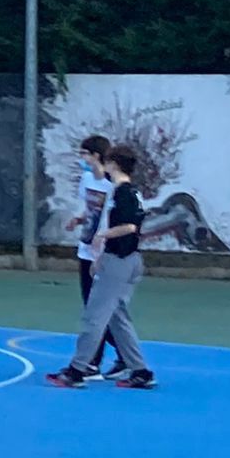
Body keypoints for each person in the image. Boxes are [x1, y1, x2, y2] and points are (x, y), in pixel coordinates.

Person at [48, 144, 155, 390]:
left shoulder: (123, 193)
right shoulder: (131, 192)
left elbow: (129, 227)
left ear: (114, 164)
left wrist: (102, 236)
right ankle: (140, 371)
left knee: (94, 317)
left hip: (119, 260)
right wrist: (100, 257)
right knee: (118, 317)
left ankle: (77, 370)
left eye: (107, 162)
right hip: (125, 259)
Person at [71, 138, 123, 378]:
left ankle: (97, 360)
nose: (82, 159)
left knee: (99, 309)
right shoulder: (86, 180)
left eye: (85, 154)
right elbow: (92, 209)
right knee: (91, 307)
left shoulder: (112, 185)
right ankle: (117, 357)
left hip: (101, 253)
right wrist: (79, 219)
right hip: (85, 248)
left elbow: (111, 219)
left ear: (96, 156)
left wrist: (101, 251)